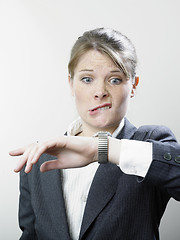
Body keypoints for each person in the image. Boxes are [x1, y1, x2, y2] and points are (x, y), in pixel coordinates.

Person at [9, 28, 180, 240]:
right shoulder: (38, 158)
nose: (100, 91)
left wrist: (104, 149)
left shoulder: (149, 142)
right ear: (71, 83)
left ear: (133, 85)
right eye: (87, 79)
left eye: (115, 80)